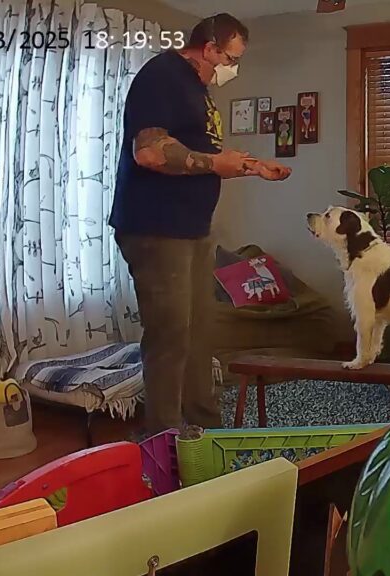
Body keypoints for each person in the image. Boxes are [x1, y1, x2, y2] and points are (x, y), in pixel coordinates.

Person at [109, 13, 291, 435]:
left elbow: (202, 153)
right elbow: (150, 152)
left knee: (197, 336)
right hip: (156, 227)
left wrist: (250, 167)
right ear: (208, 47)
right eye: (229, 58)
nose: (232, 69)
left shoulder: (196, 89)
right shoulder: (162, 76)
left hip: (192, 228)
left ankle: (205, 431)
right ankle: (163, 441)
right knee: (170, 337)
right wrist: (216, 162)